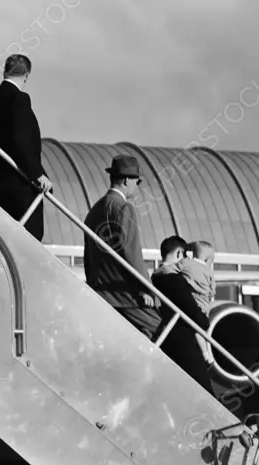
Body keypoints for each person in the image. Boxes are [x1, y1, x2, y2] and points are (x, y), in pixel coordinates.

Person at [83, 155, 160, 338]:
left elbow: (88, 255)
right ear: (127, 180)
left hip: (100, 292)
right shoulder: (124, 208)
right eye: (137, 181)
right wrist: (146, 289)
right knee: (163, 332)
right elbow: (130, 252)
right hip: (124, 295)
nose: (137, 186)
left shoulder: (94, 210)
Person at [0, 54, 51, 241]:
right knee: (28, 240)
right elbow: (20, 141)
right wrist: (37, 174)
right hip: (18, 186)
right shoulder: (19, 99)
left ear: (4, 71)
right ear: (26, 75)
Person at [151, 236, 213, 393]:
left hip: (167, 336)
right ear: (179, 253)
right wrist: (204, 321)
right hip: (183, 340)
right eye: (185, 255)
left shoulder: (155, 277)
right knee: (204, 391)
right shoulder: (174, 279)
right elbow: (190, 308)